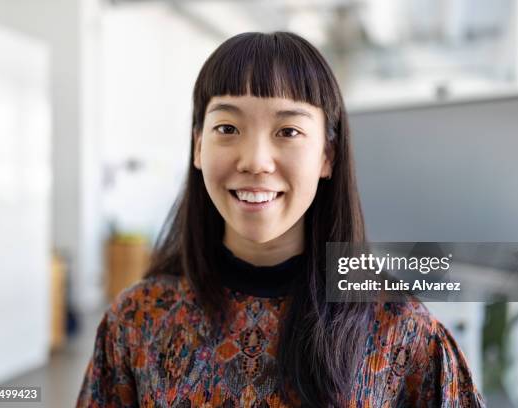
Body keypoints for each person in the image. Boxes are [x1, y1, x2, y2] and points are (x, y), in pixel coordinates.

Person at [77, 31, 485, 407]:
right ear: (198, 147)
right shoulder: (137, 321)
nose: (255, 160)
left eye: (287, 131)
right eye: (227, 127)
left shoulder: (403, 330)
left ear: (328, 154)